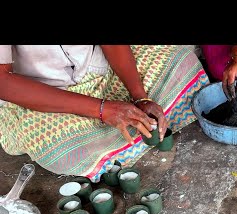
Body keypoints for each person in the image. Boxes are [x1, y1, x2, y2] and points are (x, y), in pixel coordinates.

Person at [0, 45, 209, 182]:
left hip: (101, 73)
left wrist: (139, 96)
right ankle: (124, 134)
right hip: (47, 95)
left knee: (181, 61)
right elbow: (3, 82)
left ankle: (115, 141)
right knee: (57, 149)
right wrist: (103, 109)